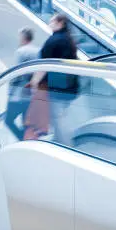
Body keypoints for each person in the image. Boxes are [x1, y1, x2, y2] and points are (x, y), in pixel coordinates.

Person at [28, 14, 79, 143]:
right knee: (60, 117)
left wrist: (34, 82)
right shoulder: (68, 39)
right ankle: (59, 141)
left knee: (58, 118)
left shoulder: (54, 40)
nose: (49, 23)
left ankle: (66, 146)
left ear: (60, 23)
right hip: (70, 85)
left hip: (58, 87)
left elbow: (43, 64)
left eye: (52, 21)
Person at [6, 28, 39, 140]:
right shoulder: (37, 50)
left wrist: (10, 91)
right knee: (26, 122)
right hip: (31, 94)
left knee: (8, 120)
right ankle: (25, 140)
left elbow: (17, 73)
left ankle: (21, 138)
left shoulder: (21, 51)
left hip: (19, 94)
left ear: (23, 37)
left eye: (20, 37)